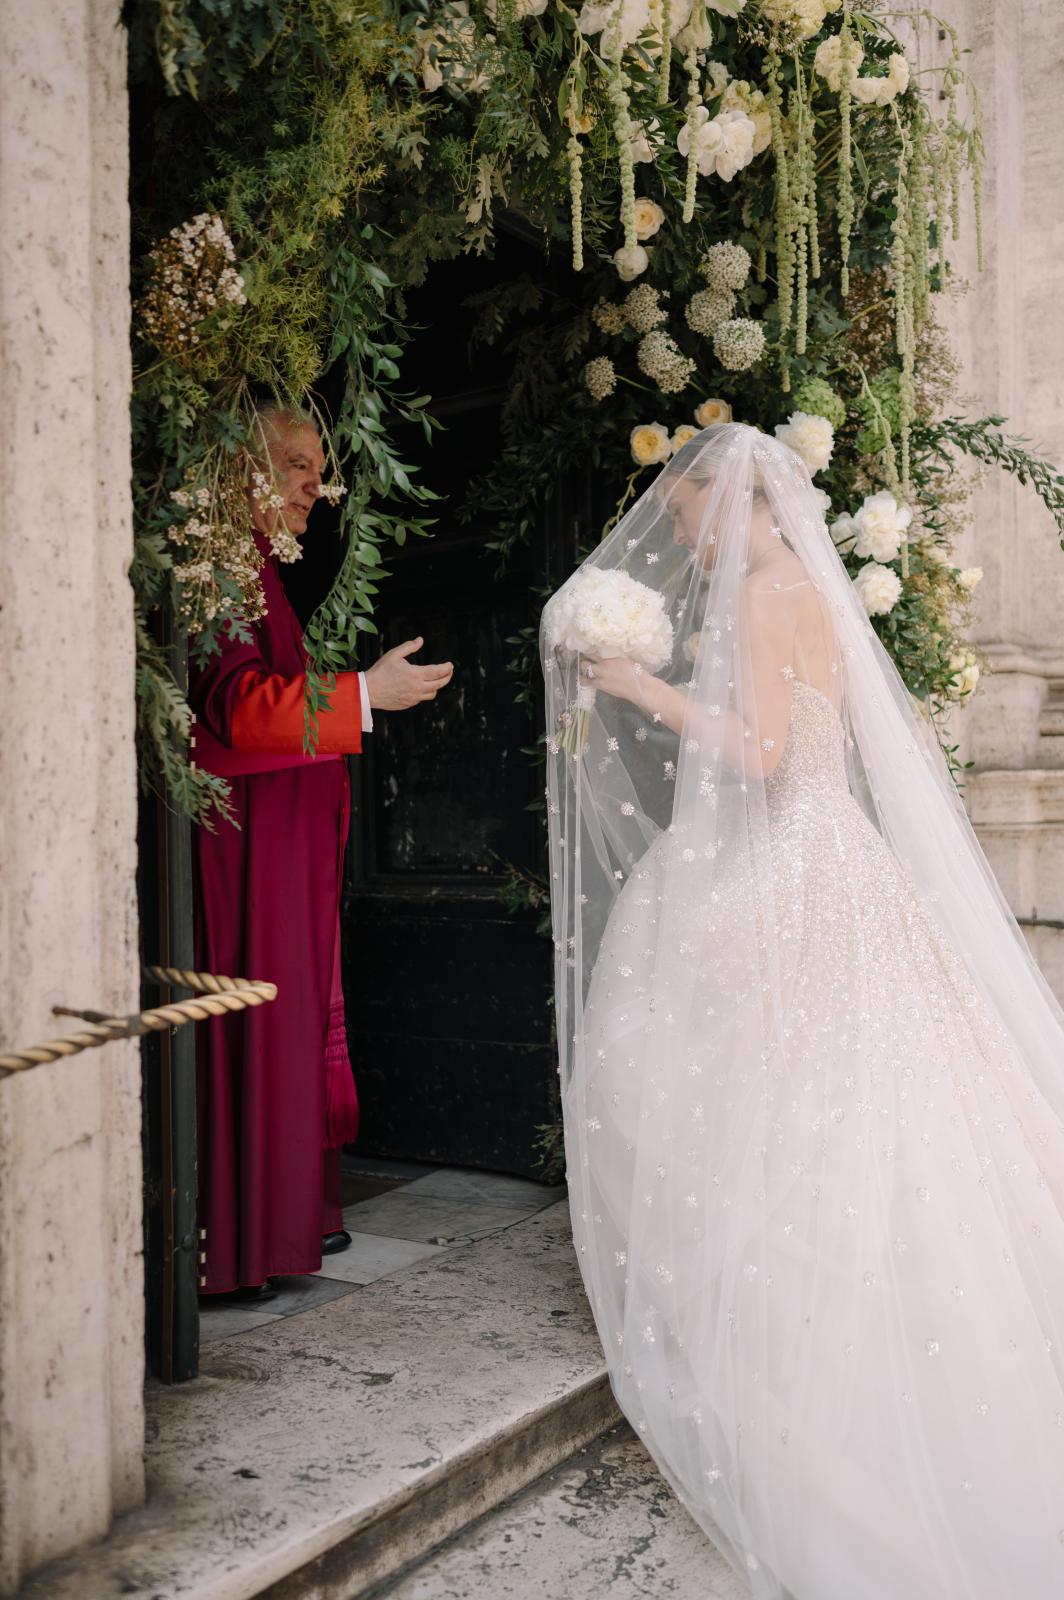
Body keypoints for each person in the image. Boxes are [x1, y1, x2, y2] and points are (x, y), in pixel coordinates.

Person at [541, 422, 1064, 1598]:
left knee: (754, 1066)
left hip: (792, 847)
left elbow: (767, 750)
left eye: (683, 514)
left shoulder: (764, 589)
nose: (682, 537)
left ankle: (782, 1318)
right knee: (848, 1075)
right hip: (836, 847)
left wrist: (639, 688)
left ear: (722, 499)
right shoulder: (806, 584)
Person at [190, 404, 453, 1296]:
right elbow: (235, 709)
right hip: (244, 860)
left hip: (276, 850)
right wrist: (362, 696)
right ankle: (240, 1239)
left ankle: (275, 1225)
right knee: (252, 1029)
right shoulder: (215, 566)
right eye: (299, 465)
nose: (318, 486)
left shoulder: (251, 567)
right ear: (244, 469)